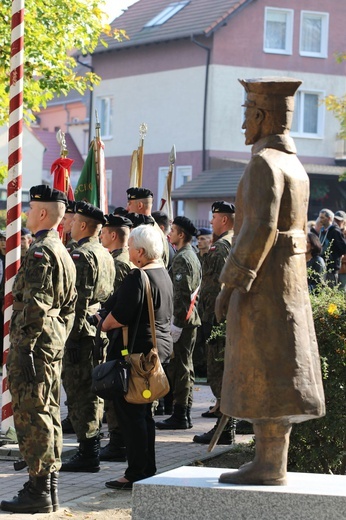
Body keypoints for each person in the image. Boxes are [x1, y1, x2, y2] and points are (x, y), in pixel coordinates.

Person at [215, 77, 325, 486]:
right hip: (288, 284)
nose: (243, 124)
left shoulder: (264, 163)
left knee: (263, 365)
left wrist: (231, 283)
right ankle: (271, 462)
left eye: (247, 115)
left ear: (262, 116)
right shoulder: (294, 164)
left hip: (264, 285)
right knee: (282, 368)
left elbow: (258, 229)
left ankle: (268, 465)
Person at [1, 185, 77, 514]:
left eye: (31, 209)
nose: (26, 214)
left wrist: (26, 348)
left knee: (34, 417)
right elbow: (70, 308)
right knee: (47, 414)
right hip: (50, 345)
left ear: (43, 213)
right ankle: (49, 489)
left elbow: (34, 306)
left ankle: (38, 490)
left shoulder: (41, 252)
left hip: (34, 348)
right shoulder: (61, 250)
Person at [100, 224, 173, 489]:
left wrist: (103, 323)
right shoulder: (162, 273)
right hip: (156, 353)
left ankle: (136, 473)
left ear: (140, 251)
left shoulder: (137, 277)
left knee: (131, 415)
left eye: (131, 247)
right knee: (144, 414)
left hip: (136, 358)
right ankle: (147, 469)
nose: (128, 251)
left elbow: (117, 317)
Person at [61, 201, 115, 473]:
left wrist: (66, 333)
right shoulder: (105, 253)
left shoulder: (82, 255)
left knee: (81, 391)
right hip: (97, 330)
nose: (68, 225)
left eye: (72, 221)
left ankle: (87, 450)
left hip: (80, 334)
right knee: (91, 389)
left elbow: (77, 300)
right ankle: (90, 447)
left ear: (83, 225)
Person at [193, 201, 236, 444]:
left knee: (218, 372)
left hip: (217, 319)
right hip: (227, 319)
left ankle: (225, 430)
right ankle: (227, 427)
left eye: (215, 217)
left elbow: (219, 286)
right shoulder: (235, 242)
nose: (211, 222)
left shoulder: (220, 248)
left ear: (225, 220)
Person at [156, 216, 201, 430]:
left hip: (184, 321)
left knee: (181, 367)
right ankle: (182, 412)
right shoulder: (189, 254)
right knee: (184, 366)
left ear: (181, 235)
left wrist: (177, 324)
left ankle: (181, 413)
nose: (169, 234)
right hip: (187, 320)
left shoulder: (183, 257)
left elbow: (183, 295)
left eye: (173, 230)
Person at [99, 213, 134, 462]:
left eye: (103, 232)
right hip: (119, 331)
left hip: (117, 332)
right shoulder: (122, 260)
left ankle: (118, 441)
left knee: (115, 386)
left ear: (113, 235)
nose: (101, 236)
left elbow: (116, 303)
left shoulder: (120, 263)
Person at [126, 187, 169, 267]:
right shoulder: (153, 228)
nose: (127, 208)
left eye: (129, 204)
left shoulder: (148, 232)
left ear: (140, 205)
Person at [318, 208, 346, 286]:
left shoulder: (335, 231)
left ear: (329, 218)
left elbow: (343, 248)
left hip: (332, 267)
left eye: (322, 218)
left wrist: (333, 255)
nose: (320, 220)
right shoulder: (322, 230)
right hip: (323, 265)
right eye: (320, 217)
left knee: (331, 290)